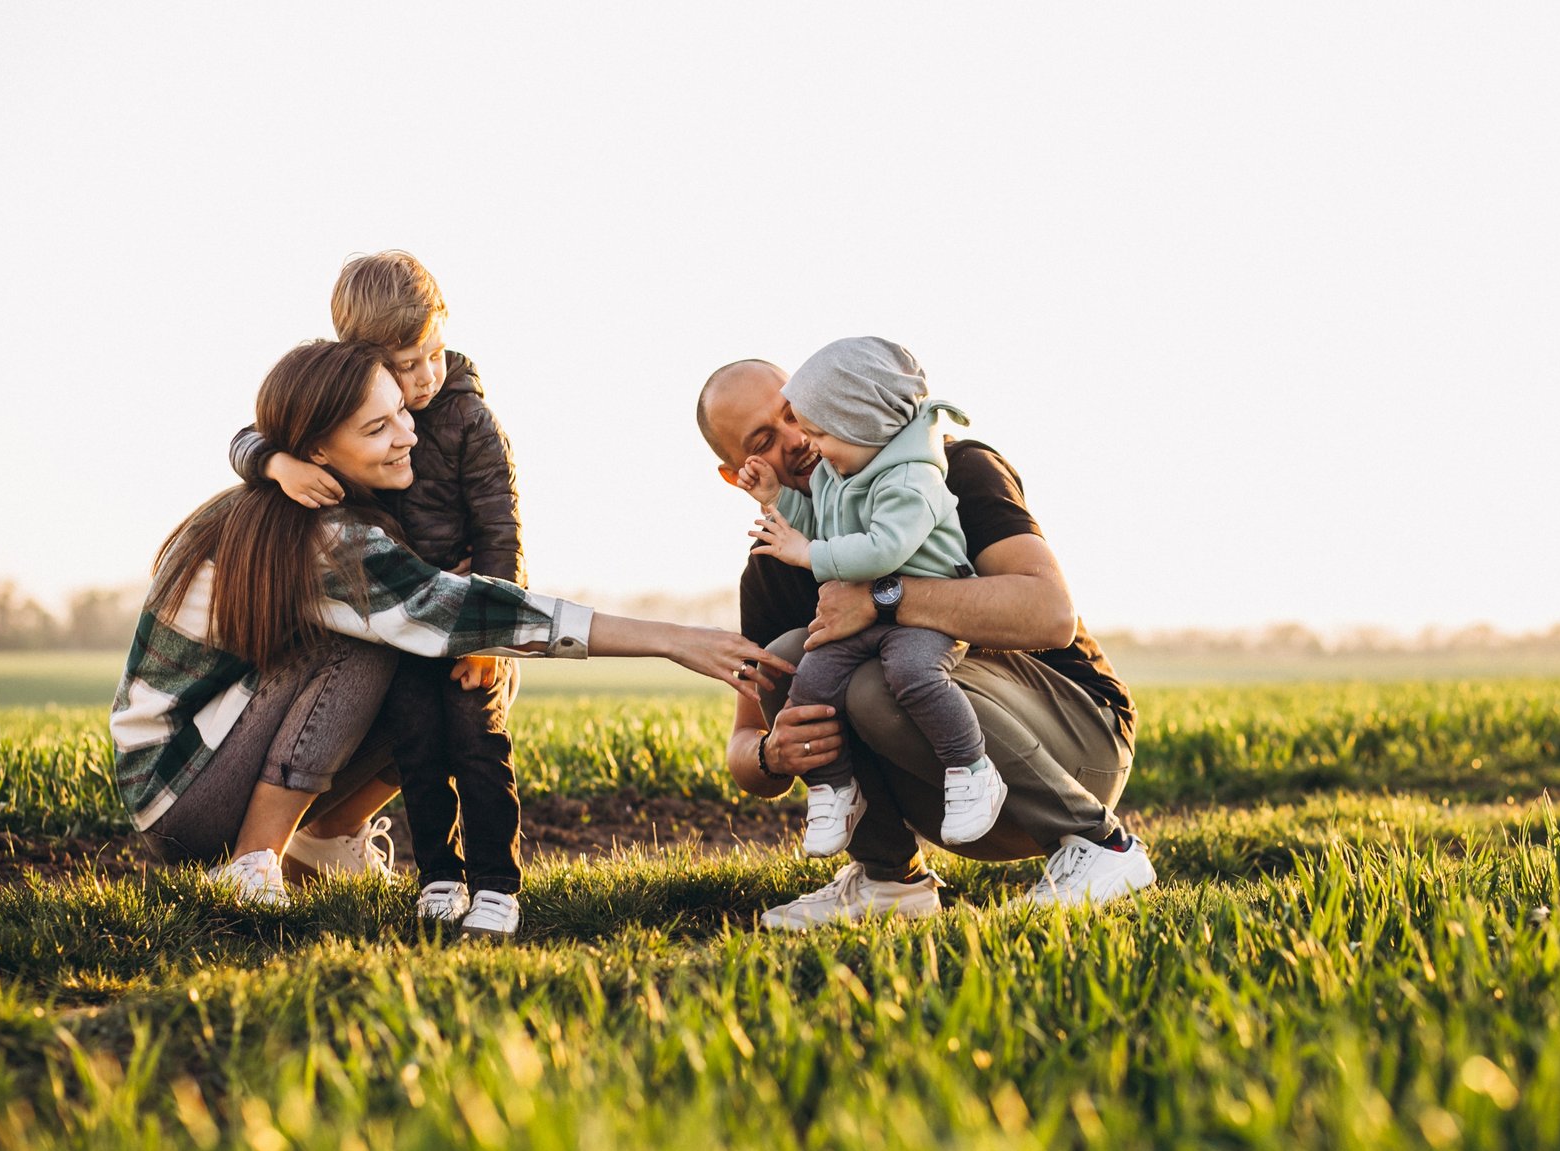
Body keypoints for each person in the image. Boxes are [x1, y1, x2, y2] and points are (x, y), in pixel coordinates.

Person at [113, 340, 786, 931]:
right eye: (377, 428)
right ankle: (253, 864)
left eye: (401, 412)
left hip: (211, 760)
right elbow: (462, 612)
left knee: (464, 653)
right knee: (390, 645)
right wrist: (673, 640)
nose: (408, 434)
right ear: (317, 450)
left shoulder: (304, 496)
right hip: (181, 786)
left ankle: (323, 842)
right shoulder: (322, 537)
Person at [695, 357, 1154, 929]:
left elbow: (1050, 614)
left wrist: (884, 595)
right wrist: (773, 754)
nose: (797, 440)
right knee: (790, 656)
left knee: (876, 674)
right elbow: (745, 746)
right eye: (765, 440)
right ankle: (889, 880)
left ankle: (1098, 844)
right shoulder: (772, 569)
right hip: (949, 795)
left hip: (1077, 750)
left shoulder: (945, 469)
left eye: (795, 414)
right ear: (736, 472)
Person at [227, 251, 533, 936]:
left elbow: (499, 524)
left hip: (460, 618)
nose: (426, 376)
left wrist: (492, 625)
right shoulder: (341, 403)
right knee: (419, 745)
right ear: (361, 358)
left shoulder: (469, 421)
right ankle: (439, 877)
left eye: (434, 352)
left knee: (477, 742)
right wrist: (277, 462)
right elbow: (251, 433)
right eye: (405, 364)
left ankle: (496, 885)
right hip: (387, 623)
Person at [738, 338, 1007, 858]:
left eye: (814, 429)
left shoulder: (916, 476)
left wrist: (806, 553)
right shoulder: (838, 475)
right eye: (769, 438)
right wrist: (776, 499)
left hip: (928, 623)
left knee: (909, 675)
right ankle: (836, 789)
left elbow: (883, 549)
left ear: (861, 424)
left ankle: (971, 768)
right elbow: (823, 523)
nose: (806, 443)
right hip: (867, 629)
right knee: (809, 676)